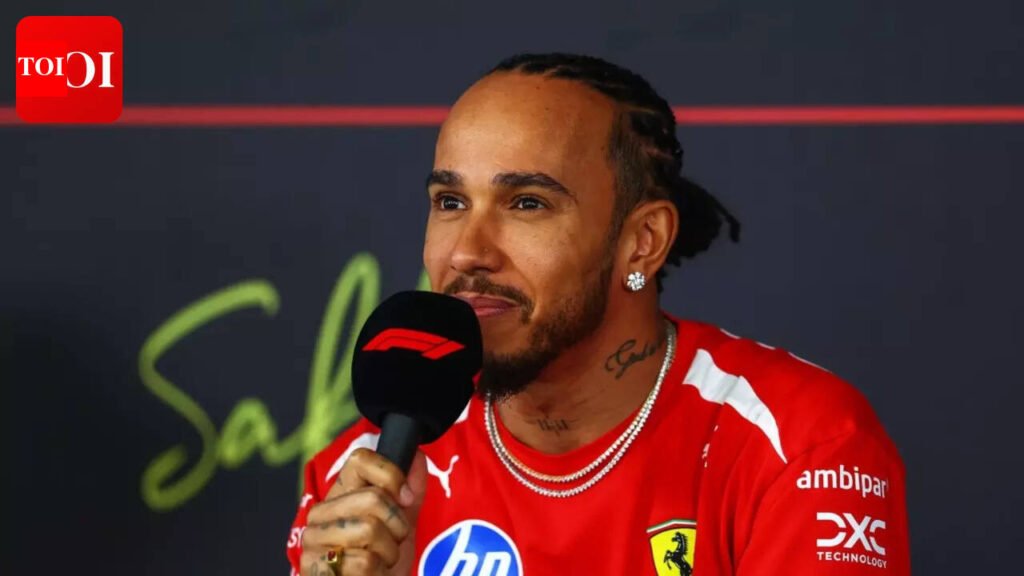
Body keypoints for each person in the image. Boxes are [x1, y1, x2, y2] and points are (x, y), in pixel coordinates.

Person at [286, 53, 910, 576]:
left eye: (527, 203)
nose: (467, 251)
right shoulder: (368, 477)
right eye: (450, 201)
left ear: (642, 242)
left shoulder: (803, 447)